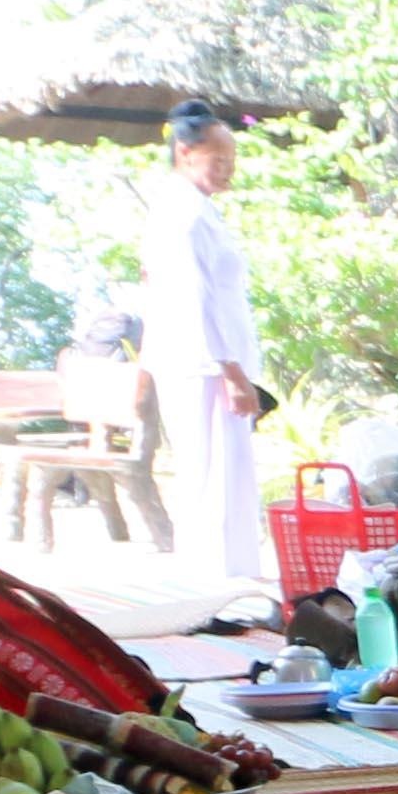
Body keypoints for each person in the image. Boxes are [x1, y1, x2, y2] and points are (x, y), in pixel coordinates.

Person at [136, 102, 268, 589]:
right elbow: (197, 300)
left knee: (225, 478)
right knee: (210, 479)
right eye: (219, 160)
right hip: (205, 365)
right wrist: (230, 371)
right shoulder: (180, 213)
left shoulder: (196, 207)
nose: (228, 169)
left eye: (231, 160)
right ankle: (215, 587)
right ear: (186, 153)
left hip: (215, 362)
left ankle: (231, 582)